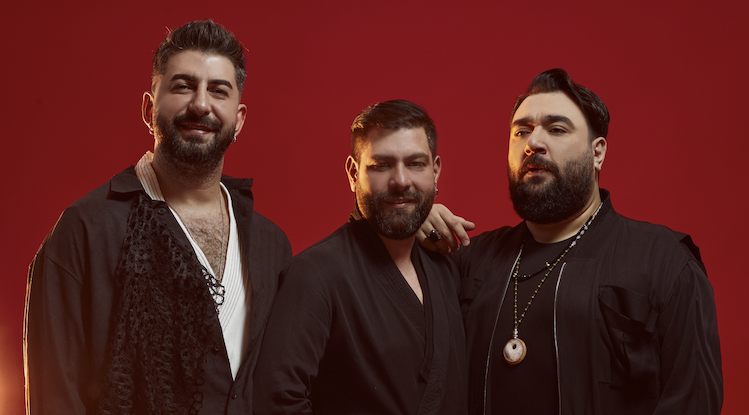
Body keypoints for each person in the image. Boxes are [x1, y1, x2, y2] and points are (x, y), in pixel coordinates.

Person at [24, 20, 291, 415]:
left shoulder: (271, 245)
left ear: (239, 119)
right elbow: (56, 399)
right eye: (183, 86)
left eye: (218, 90)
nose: (201, 104)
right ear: (149, 109)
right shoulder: (85, 230)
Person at [420, 69, 722, 414]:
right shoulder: (469, 259)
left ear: (598, 153)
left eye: (557, 129)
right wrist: (408, 227)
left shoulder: (665, 262)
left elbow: (693, 401)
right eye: (521, 131)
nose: (533, 143)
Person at [253, 100, 467, 415]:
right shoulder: (315, 274)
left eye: (415, 164)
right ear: (354, 173)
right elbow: (277, 400)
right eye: (381, 165)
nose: (401, 181)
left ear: (435, 171)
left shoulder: (447, 265)